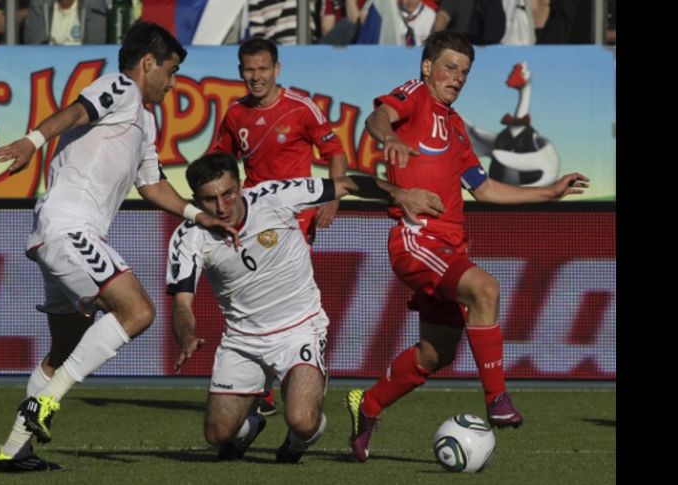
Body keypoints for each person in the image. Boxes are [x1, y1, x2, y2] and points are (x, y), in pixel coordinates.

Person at [0, 21, 237, 473]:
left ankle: (14, 449)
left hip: (61, 234)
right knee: (138, 311)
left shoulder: (144, 119)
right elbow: (77, 111)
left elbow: (152, 185)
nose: (174, 81)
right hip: (69, 227)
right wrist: (32, 140)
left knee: (64, 350)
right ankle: (43, 406)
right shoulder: (121, 86)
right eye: (172, 70)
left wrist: (198, 216)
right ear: (148, 64)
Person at [345, 30, 589, 463]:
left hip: (450, 249)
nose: (457, 77)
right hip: (417, 239)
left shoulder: (456, 127)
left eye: (464, 71)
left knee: (434, 355)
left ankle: (368, 405)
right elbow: (377, 118)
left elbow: (486, 187)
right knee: (485, 289)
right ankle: (497, 399)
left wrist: (548, 191)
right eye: (449, 67)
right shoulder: (415, 95)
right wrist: (390, 139)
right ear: (427, 67)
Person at [167, 152, 443, 463]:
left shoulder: (276, 197)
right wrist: (187, 336)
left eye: (228, 194)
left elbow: (348, 184)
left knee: (302, 420)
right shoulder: (189, 237)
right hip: (242, 340)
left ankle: (296, 445)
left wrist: (400, 194)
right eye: (209, 199)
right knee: (217, 436)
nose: (221, 206)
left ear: (241, 185)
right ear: (195, 199)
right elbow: (182, 304)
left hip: (300, 328)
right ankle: (253, 423)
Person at [211, 37, 349, 415]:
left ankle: (300, 369)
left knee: (282, 295)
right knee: (246, 293)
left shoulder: (302, 108)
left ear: (277, 69)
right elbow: (218, 162)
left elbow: (335, 154)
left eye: (262, 69)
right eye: (248, 70)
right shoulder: (235, 113)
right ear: (241, 71)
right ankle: (264, 383)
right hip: (250, 219)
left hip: (293, 218)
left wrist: (331, 198)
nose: (255, 77)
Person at [24, 0, 108, 45]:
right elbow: (34, 44)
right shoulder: (39, 4)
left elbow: (95, 47)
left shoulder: (94, 5)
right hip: (46, 64)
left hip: (84, 64)